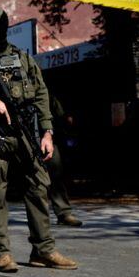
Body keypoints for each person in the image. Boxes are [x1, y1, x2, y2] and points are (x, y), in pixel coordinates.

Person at [0, 7, 78, 273]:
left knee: (39, 189)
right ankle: (2, 253)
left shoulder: (23, 59)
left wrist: (47, 132)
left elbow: (41, 95)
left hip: (26, 136)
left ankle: (43, 250)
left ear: (3, 27)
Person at [46, 95, 83, 227]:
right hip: (20, 132)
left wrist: (64, 117)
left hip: (47, 133)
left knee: (55, 171)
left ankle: (63, 212)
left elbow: (55, 105)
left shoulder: (45, 88)